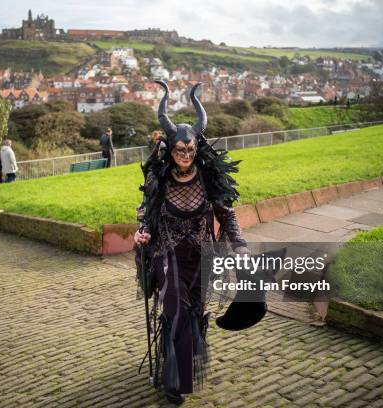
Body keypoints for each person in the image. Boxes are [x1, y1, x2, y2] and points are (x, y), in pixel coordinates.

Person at [134, 80, 249, 405]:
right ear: (169, 149)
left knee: (194, 312)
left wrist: (238, 242)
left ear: (197, 147)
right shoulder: (158, 179)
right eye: (178, 149)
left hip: (201, 257)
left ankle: (185, 354)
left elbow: (226, 213)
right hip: (167, 254)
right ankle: (178, 379)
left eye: (190, 149)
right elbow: (146, 213)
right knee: (178, 310)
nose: (185, 155)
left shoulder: (208, 178)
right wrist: (141, 231)